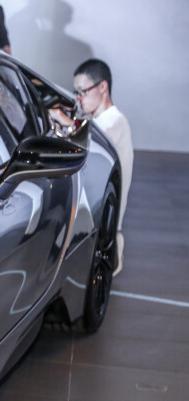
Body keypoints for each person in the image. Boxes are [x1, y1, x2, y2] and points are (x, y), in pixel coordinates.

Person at [74, 59, 133, 275]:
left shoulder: (115, 122)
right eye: (77, 92)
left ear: (102, 87)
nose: (79, 98)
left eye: (83, 91)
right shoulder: (101, 122)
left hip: (104, 240)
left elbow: (88, 145)